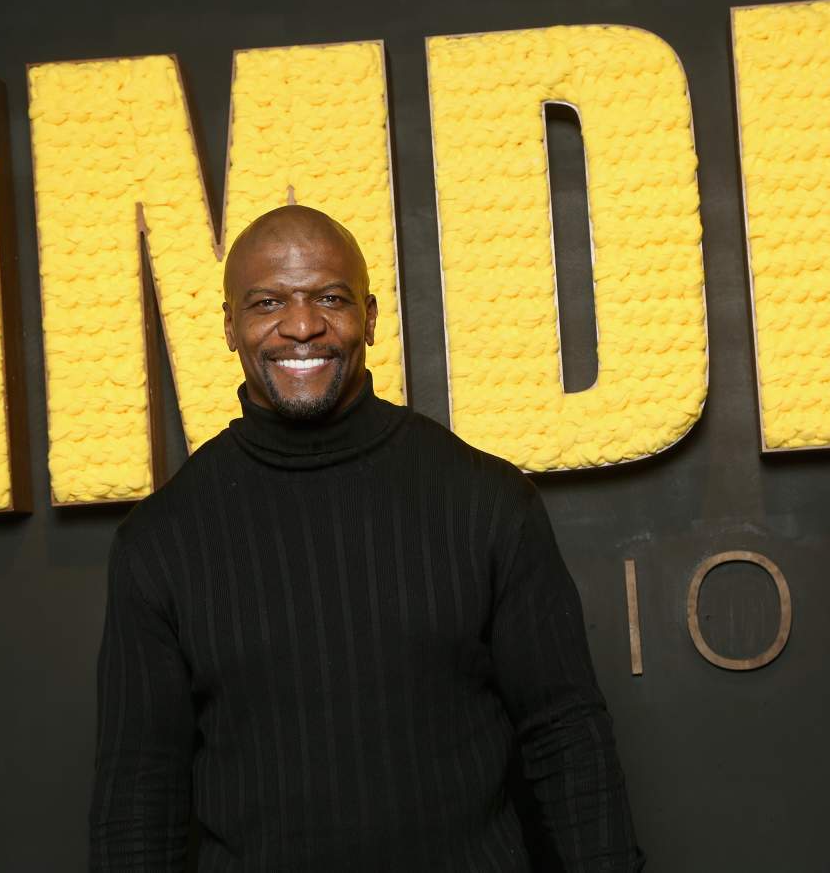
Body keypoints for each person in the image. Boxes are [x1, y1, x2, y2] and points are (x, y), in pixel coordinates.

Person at [89, 205, 645, 871]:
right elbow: (139, 791)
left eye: (330, 298)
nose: (302, 325)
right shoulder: (162, 540)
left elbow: (566, 736)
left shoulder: (486, 501)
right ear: (230, 326)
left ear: (372, 318)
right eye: (268, 302)